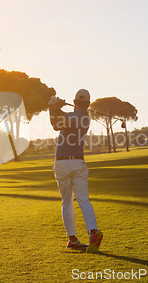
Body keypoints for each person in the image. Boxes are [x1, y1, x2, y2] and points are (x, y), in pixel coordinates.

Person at [48, 89, 103, 253]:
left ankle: (72, 239)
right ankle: (93, 231)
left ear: (74, 101)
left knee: (67, 202)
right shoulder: (86, 117)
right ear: (88, 104)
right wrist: (58, 107)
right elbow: (67, 117)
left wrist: (52, 106)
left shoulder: (71, 117)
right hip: (79, 162)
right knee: (83, 199)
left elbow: (55, 124)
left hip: (63, 164)